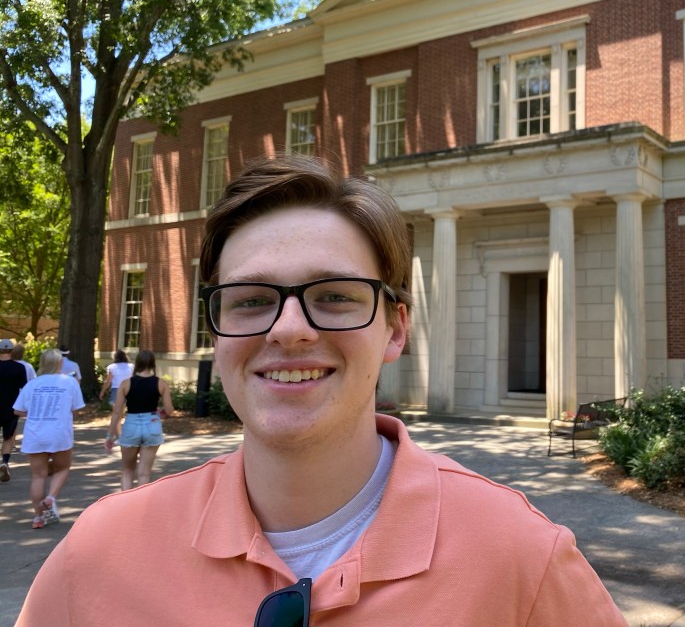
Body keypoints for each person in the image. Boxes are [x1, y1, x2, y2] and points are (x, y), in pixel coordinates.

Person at [18, 154, 628, 625]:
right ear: (217, 330)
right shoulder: (99, 554)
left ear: (396, 328)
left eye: (334, 296)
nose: (288, 330)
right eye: (252, 300)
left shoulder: (523, 559)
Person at [12, 348, 85, 529]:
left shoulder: (32, 384)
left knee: (38, 475)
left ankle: (38, 517)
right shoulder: (69, 382)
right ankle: (51, 497)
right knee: (62, 468)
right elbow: (77, 409)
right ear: (60, 363)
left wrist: (35, 412)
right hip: (59, 432)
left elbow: (17, 410)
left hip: (35, 433)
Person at [105, 349, 174, 490]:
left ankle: (126, 504)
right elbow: (169, 409)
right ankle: (141, 506)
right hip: (152, 423)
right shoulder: (161, 383)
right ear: (153, 364)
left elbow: (117, 411)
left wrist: (110, 435)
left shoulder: (125, 384)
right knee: (144, 473)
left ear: (137, 363)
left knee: (127, 469)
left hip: (131, 424)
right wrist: (160, 413)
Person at [0, 338, 29, 483]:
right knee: (8, 437)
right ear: (11, 351)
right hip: (11, 407)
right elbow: (24, 388)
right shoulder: (19, 368)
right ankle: (4, 462)